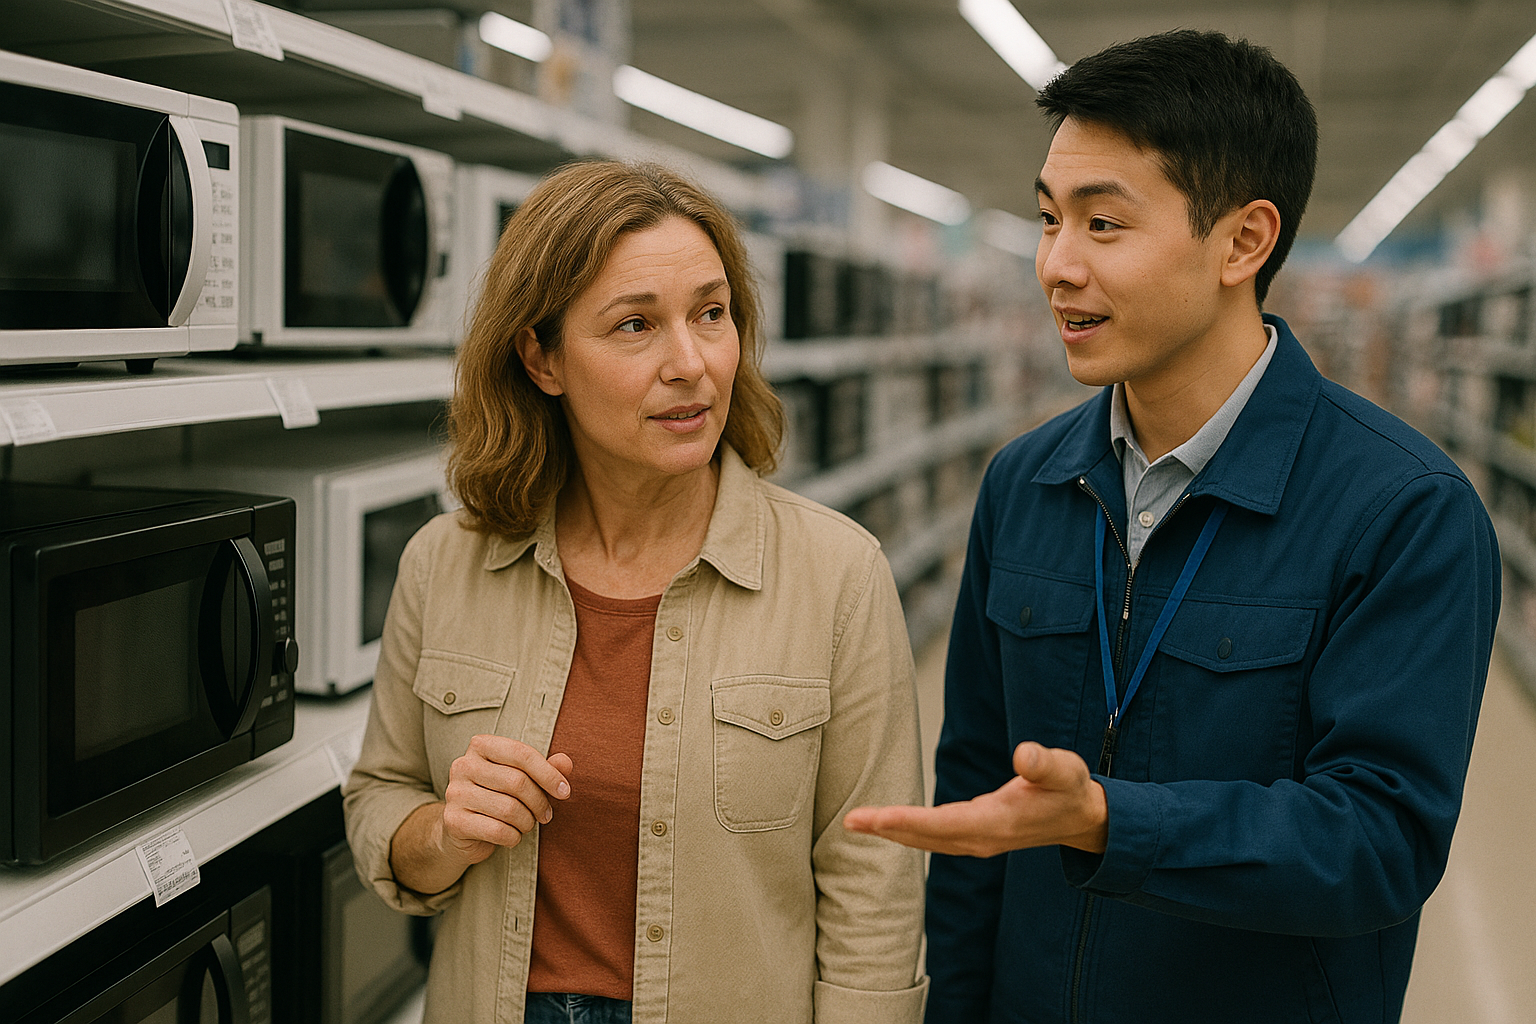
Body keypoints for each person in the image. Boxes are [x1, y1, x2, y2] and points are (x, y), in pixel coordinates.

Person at [845, 29, 1500, 1024]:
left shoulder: (1402, 509)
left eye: (1103, 225)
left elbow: (1381, 839)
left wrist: (1114, 820)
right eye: (1047, 219)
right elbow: (977, 800)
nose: (1056, 265)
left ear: (1243, 241)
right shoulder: (1025, 483)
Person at [344, 160, 928, 1024]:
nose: (691, 363)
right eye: (634, 326)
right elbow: (380, 793)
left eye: (712, 314)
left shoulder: (837, 576)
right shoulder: (445, 564)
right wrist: (441, 833)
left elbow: (873, 887)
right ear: (542, 358)